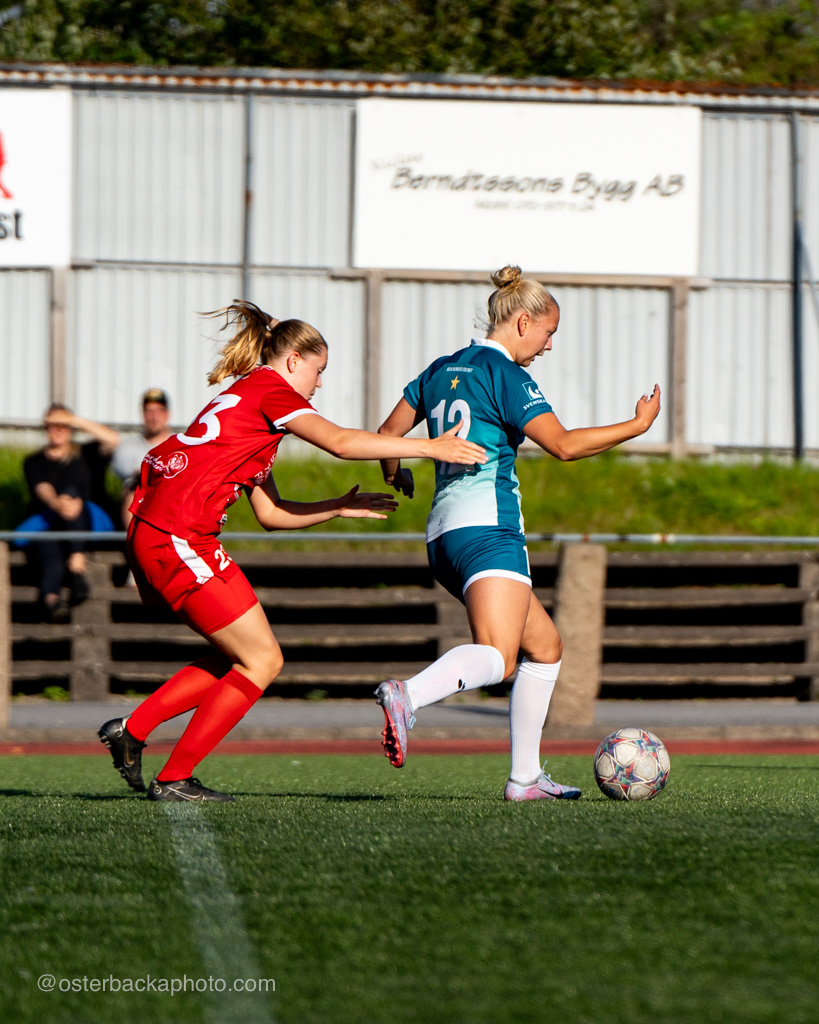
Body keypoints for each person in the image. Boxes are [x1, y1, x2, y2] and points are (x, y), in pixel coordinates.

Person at [98, 301, 486, 802]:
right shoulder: (270, 391)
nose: (319, 383)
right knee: (262, 661)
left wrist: (337, 507)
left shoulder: (248, 400)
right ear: (294, 359)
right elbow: (341, 442)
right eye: (318, 370)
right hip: (177, 534)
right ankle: (174, 778)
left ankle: (131, 731)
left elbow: (271, 513)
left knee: (241, 655)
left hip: (160, 530)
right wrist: (431, 448)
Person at [374, 265, 661, 801]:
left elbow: (388, 434)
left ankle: (525, 779)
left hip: (443, 537)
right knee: (499, 656)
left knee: (545, 648)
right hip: (489, 530)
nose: (549, 345)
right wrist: (637, 426)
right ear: (523, 321)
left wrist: (397, 474)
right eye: (548, 332)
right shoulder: (504, 373)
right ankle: (407, 694)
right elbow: (565, 445)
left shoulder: (440, 368)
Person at [21, 404, 120, 622]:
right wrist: (56, 503)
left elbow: (113, 440)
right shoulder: (34, 461)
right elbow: (42, 487)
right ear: (45, 427)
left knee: (73, 496)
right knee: (50, 552)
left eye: (63, 425)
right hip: (51, 525)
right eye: (53, 425)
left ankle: (76, 564)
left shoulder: (86, 453)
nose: (58, 430)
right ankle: (53, 601)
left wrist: (74, 420)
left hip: (88, 524)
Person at [111, 388, 174, 529]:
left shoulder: (179, 445)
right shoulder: (128, 446)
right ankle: (135, 538)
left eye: (159, 411)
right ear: (143, 415)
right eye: (149, 411)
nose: (154, 417)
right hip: (139, 503)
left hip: (170, 501)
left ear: (167, 415)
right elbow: (126, 472)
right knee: (134, 491)